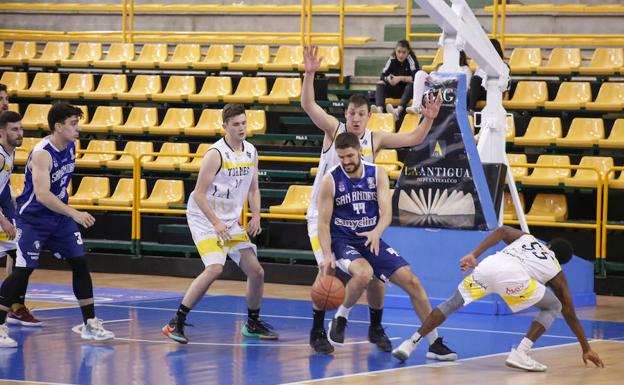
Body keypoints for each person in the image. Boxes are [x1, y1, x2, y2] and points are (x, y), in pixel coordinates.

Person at [302, 45, 441, 354]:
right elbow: (309, 105)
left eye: (361, 114)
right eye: (351, 113)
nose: (355, 118)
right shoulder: (334, 130)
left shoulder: (375, 138)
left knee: (376, 274)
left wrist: (429, 120)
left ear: (368, 116)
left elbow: (413, 139)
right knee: (326, 267)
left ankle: (375, 327)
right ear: (346, 115)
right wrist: (310, 74)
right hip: (324, 216)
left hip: (358, 217)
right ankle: (316, 331)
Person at [316, 132, 456, 360]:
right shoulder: (330, 180)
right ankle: (341, 317)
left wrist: (376, 232)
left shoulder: (377, 173)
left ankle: (434, 343)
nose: (346, 162)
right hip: (343, 241)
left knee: (412, 281)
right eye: (341, 157)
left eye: (350, 156)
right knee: (364, 274)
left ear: (360, 151)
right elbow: (323, 222)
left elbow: (387, 212)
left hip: (371, 237)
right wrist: (327, 254)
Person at [392, 226, 605, 372]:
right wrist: (585, 347)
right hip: (515, 279)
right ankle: (521, 352)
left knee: (452, 303)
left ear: (548, 244)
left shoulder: (528, 238)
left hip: (490, 266)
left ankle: (411, 343)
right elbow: (570, 313)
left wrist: (474, 254)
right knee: (555, 306)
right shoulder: (556, 269)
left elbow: (502, 231)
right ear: (563, 260)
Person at [0, 103, 114, 348]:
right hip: (33, 219)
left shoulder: (70, 146)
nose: (78, 128)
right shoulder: (43, 152)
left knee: (80, 262)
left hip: (58, 220)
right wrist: (74, 212)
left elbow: (60, 186)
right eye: (73, 124)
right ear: (58, 126)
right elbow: (42, 194)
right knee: (23, 270)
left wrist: (66, 213)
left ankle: (90, 323)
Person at [162, 103, 277, 344]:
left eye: (244, 123)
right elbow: (198, 194)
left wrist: (256, 215)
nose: (241, 128)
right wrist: (215, 223)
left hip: (230, 221)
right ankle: (176, 321)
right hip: (205, 218)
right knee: (215, 268)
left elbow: (254, 189)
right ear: (225, 126)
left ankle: (253, 323)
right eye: (236, 124)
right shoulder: (215, 154)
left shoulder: (251, 152)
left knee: (256, 272)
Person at [0, 111, 42, 327]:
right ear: (2, 132)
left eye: (21, 128)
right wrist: (4, 221)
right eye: (14, 129)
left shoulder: (10, 152)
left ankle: (14, 306)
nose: (19, 133)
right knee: (22, 256)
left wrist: (16, 205)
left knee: (22, 256)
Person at [372, 40, 420, 121]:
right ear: (395, 51)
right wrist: (389, 79)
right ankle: (379, 111)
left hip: (407, 92)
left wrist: (400, 78)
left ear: (408, 52)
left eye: (404, 52)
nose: (401, 55)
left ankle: (397, 111)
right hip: (394, 89)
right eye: (399, 52)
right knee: (380, 83)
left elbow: (416, 77)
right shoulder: (392, 58)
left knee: (412, 84)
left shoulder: (411, 59)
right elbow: (382, 76)